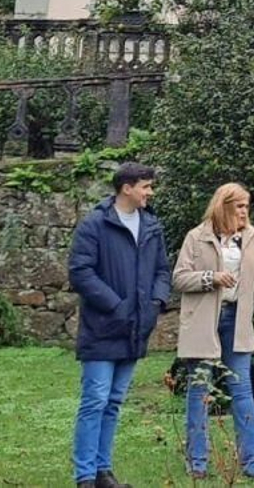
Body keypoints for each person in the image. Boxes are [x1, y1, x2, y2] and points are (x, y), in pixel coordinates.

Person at [67, 162, 171, 488]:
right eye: (146, 186)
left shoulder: (151, 226)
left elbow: (162, 271)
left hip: (136, 329)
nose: (150, 193)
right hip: (102, 328)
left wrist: (155, 304)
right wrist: (115, 304)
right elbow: (80, 272)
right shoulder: (95, 224)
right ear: (127, 188)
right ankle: (85, 476)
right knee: (95, 400)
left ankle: (103, 471)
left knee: (113, 402)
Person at [172, 182, 254, 480]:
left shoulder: (252, 236)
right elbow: (179, 278)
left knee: (242, 389)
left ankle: (252, 462)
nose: (245, 212)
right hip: (204, 321)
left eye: (247, 206)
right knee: (199, 390)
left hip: (237, 320)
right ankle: (197, 462)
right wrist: (211, 278)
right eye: (240, 206)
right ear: (224, 206)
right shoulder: (197, 236)